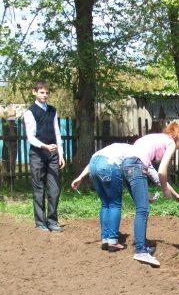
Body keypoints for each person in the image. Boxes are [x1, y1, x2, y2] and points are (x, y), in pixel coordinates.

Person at [122, 122, 179, 266]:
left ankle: (142, 247)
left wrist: (175, 194)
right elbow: (162, 171)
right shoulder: (170, 143)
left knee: (142, 207)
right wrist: (165, 190)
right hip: (136, 166)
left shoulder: (153, 140)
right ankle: (141, 251)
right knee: (143, 210)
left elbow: (154, 174)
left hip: (126, 165)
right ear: (178, 136)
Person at [71, 143, 133, 252]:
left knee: (105, 204)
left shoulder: (117, 147)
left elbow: (94, 162)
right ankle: (113, 241)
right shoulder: (135, 151)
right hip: (108, 165)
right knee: (115, 204)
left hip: (94, 163)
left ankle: (105, 239)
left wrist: (80, 177)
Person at [24, 81, 65, 232]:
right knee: (39, 188)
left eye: (47, 93)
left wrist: (60, 154)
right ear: (34, 92)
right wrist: (45, 146)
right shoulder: (30, 112)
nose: (45, 95)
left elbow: (57, 132)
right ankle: (40, 222)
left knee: (54, 189)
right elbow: (31, 137)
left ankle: (52, 221)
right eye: (42, 92)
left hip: (53, 154)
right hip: (37, 155)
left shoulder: (53, 110)